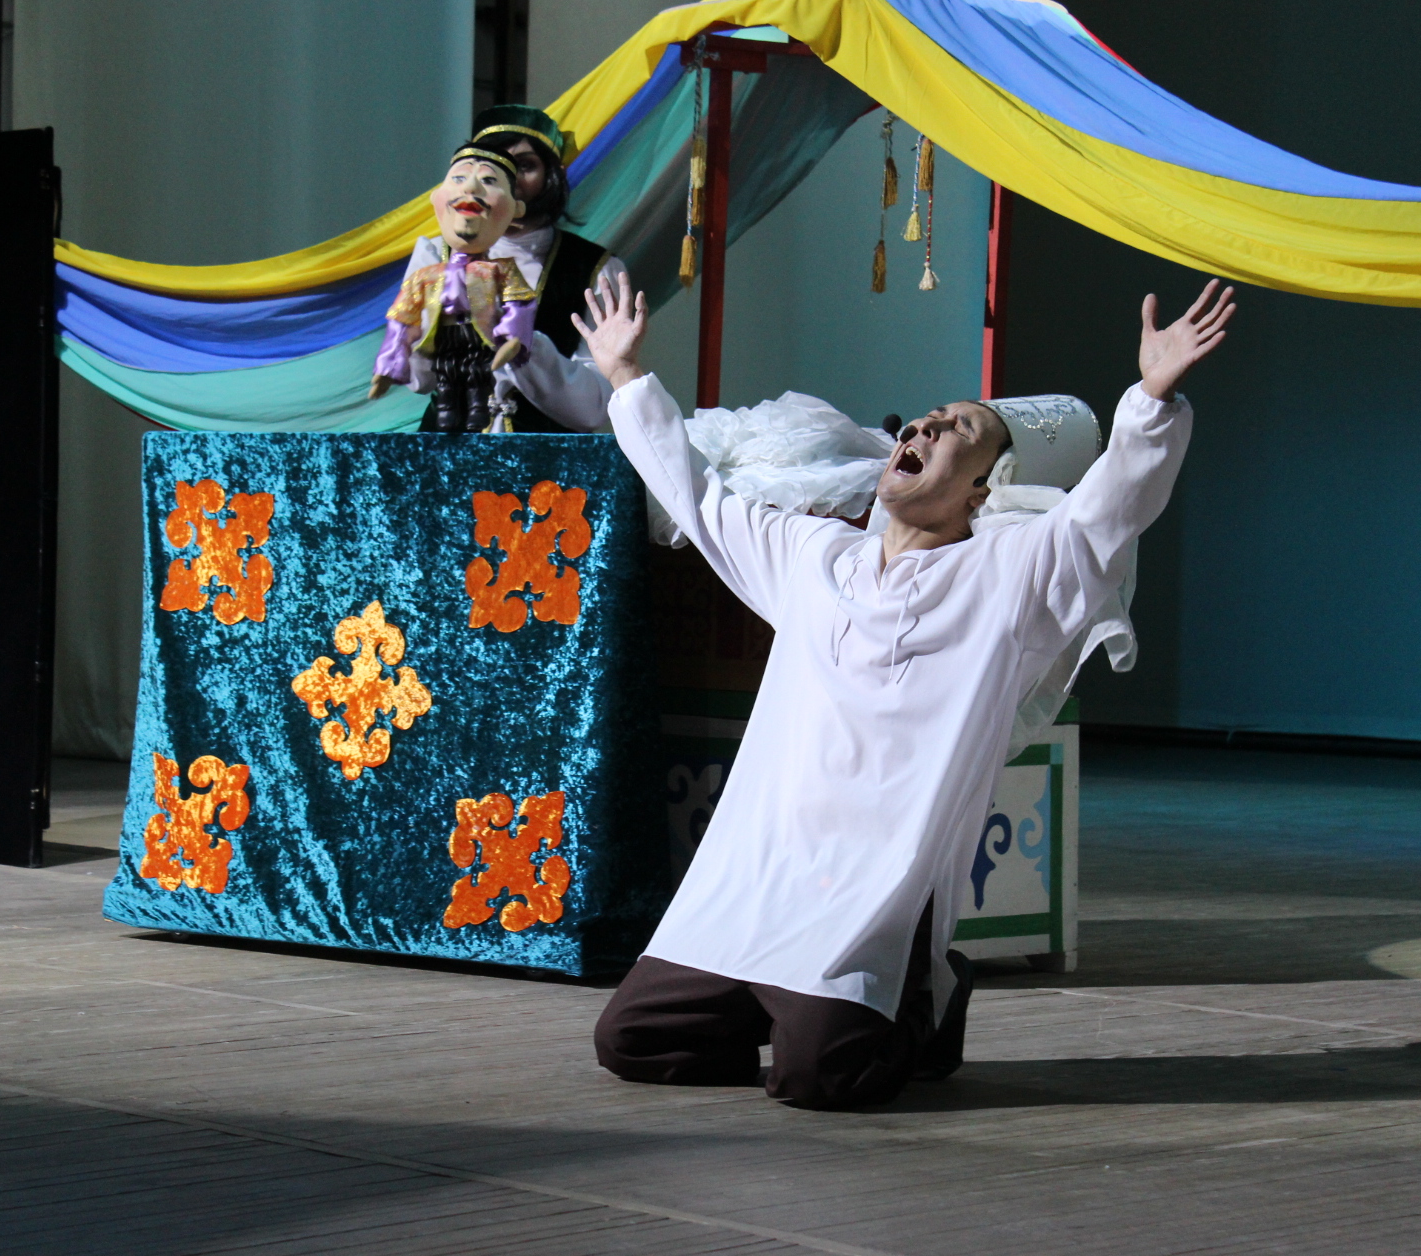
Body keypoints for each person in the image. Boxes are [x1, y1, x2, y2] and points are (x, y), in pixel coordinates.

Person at [575, 272, 1236, 1110]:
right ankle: (777, 1002)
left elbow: (1108, 514)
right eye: (925, 419)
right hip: (763, 876)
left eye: (960, 429)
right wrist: (626, 375)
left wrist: (1149, 400)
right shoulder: (812, 556)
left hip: (872, 888)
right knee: (631, 1040)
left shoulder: (1010, 574)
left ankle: (919, 999)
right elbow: (699, 496)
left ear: (984, 488)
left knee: (823, 1079)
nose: (926, 426)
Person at [401, 105, 628, 433]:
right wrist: (436, 324)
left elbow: (593, 409)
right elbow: (417, 380)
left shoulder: (595, 269)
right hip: (449, 453)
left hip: (545, 459)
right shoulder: (436, 254)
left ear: (553, 175)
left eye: (523, 166)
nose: (506, 177)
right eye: (492, 166)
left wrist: (520, 340)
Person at [370, 142, 537, 434]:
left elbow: (519, 303)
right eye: (459, 178)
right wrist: (389, 365)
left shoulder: (500, 270)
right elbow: (402, 318)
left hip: (480, 338)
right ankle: (448, 413)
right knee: (446, 378)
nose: (470, 187)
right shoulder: (426, 274)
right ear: (436, 198)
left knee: (478, 378)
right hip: (444, 338)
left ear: (515, 208)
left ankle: (477, 412)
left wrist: (513, 337)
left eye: (489, 180)